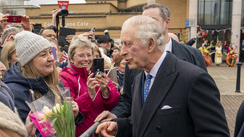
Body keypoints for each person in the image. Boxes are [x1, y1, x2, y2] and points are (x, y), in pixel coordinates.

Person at [95, 15, 229, 137]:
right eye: (122, 44)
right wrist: (119, 126)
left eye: (128, 44)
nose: (122, 52)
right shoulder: (139, 79)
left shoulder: (193, 79)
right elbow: (143, 122)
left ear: (150, 44)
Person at [95, 3, 207, 122]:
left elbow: (205, 110)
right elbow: (128, 100)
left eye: (152, 21)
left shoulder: (193, 59)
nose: (123, 52)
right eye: (143, 22)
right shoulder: (135, 63)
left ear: (166, 23)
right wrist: (116, 117)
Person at [3, 31, 81, 136]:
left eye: (50, 52)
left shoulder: (54, 81)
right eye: (43, 55)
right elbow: (35, 132)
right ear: (28, 62)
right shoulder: (16, 91)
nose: (51, 58)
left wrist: (71, 116)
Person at [59, 35, 120, 137]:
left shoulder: (97, 73)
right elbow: (69, 112)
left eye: (89, 55)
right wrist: (89, 95)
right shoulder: (65, 77)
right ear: (71, 58)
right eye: (81, 56)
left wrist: (106, 91)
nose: (86, 59)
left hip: (103, 132)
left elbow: (115, 104)